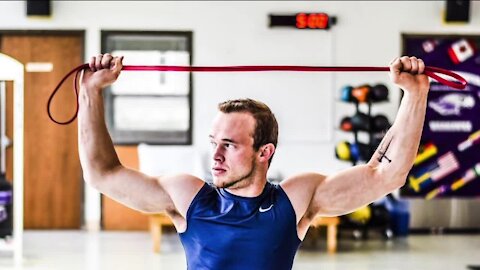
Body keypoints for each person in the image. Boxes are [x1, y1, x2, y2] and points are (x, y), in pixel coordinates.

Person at [79, 53, 429, 270]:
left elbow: (386, 174)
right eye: (214, 142)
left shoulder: (295, 200)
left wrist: (414, 95)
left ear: (265, 152)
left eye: (229, 145)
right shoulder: (188, 197)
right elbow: (103, 174)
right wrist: (91, 92)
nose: (215, 155)